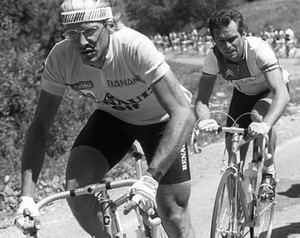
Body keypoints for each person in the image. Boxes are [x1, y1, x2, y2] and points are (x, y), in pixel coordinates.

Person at [15, 0, 196, 237]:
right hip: (113, 118)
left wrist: (151, 180)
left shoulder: (134, 46)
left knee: (173, 215)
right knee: (77, 189)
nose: (81, 42)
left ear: (109, 25)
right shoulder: (61, 58)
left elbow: (183, 112)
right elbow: (40, 126)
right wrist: (26, 196)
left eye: (89, 31)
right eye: (72, 34)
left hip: (161, 121)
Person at [194, 8, 290, 199]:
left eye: (232, 39)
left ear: (243, 34)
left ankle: (269, 172)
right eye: (221, 41)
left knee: (258, 116)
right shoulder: (213, 57)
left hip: (271, 89)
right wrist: (205, 120)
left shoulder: (258, 51)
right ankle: (236, 214)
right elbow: (202, 99)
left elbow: (281, 94)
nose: (227, 45)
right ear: (214, 40)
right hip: (243, 93)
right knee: (233, 153)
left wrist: (265, 125)